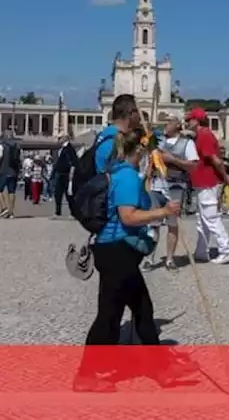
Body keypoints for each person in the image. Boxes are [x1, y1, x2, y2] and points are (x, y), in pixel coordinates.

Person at [72, 126, 189, 392]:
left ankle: (160, 369)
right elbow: (128, 216)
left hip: (117, 251)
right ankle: (86, 375)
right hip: (117, 251)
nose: (151, 156)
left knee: (142, 311)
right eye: (148, 152)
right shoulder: (125, 177)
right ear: (139, 150)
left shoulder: (122, 173)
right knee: (108, 317)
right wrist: (163, 211)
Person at [184, 107, 229, 265]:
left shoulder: (204, 135)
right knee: (203, 218)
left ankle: (226, 249)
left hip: (208, 181)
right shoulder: (201, 135)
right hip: (203, 181)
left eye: (189, 120)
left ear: (196, 121)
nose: (187, 122)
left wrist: (225, 177)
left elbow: (215, 160)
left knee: (211, 217)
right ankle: (201, 250)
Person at [147, 114, 198, 270]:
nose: (165, 125)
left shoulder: (187, 144)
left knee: (172, 224)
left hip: (176, 185)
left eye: (169, 122)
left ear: (177, 125)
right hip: (157, 185)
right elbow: (151, 161)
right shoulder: (158, 142)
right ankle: (149, 257)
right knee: (153, 223)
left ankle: (169, 259)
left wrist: (173, 160)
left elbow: (193, 166)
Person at [0, 129, 21, 219]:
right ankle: (11, 212)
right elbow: (18, 160)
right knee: (12, 191)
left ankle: (4, 207)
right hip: (14, 171)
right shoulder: (17, 146)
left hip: (3, 171)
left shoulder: (1, 146)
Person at [51, 135, 77, 217]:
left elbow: (74, 162)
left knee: (69, 194)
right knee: (57, 193)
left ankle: (73, 212)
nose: (59, 140)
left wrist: (71, 173)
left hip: (66, 174)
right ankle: (58, 212)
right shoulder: (62, 148)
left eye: (60, 138)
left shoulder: (69, 148)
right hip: (60, 173)